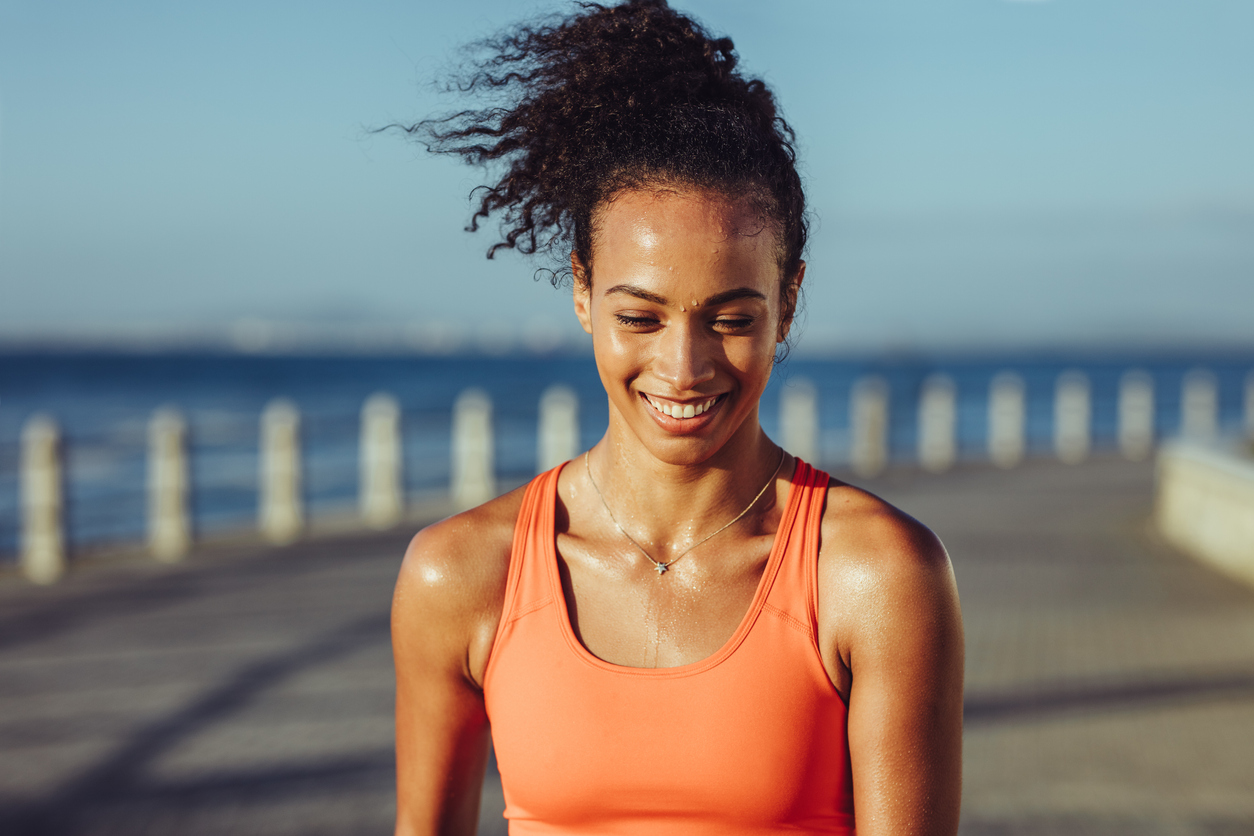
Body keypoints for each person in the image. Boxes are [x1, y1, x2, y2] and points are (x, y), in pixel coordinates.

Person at [391, 2, 964, 834]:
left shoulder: (875, 577)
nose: (684, 367)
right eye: (641, 317)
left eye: (730, 319)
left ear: (789, 300)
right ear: (583, 290)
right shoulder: (460, 575)